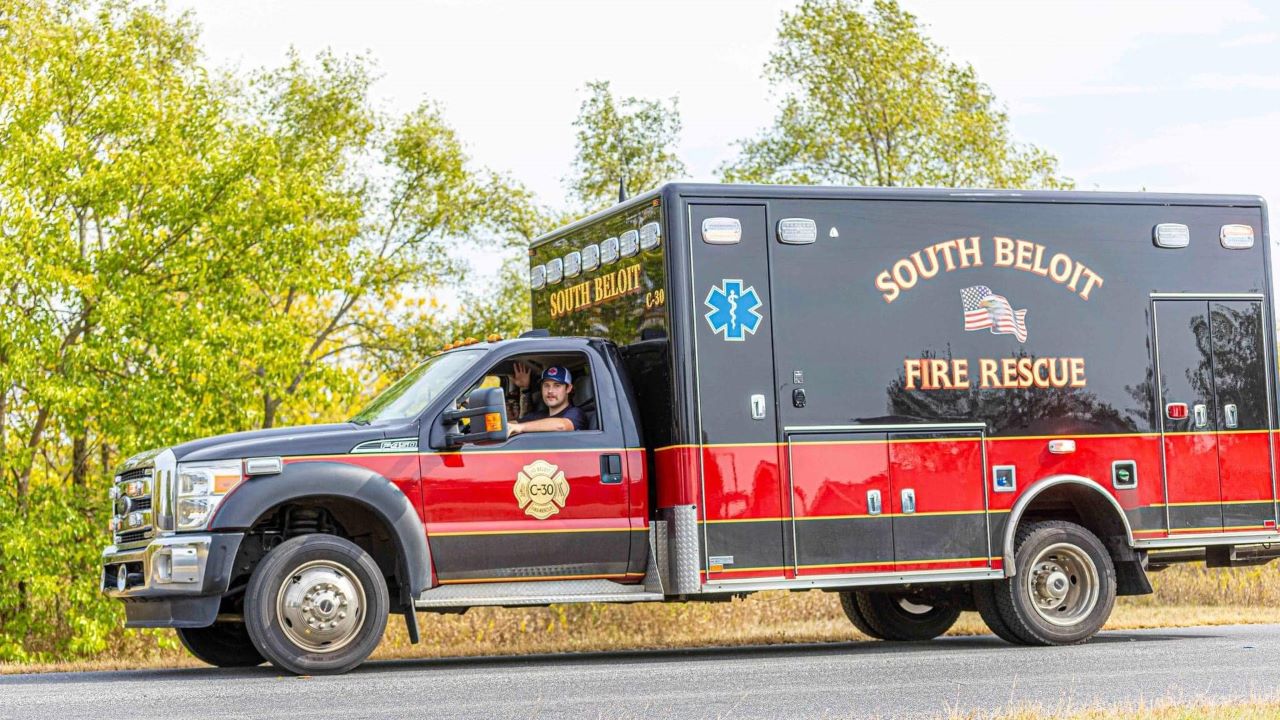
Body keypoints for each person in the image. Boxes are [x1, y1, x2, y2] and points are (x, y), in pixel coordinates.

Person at [509, 362, 586, 435]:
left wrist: (519, 427)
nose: (550, 391)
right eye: (546, 385)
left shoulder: (576, 413)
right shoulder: (538, 415)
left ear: (568, 388)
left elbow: (562, 426)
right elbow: (513, 424)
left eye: (557, 385)